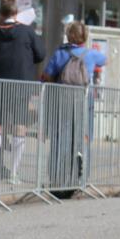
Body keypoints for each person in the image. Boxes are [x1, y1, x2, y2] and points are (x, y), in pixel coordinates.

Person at [0, 0, 46, 183]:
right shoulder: (27, 31)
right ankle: (14, 173)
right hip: (22, 84)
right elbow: (41, 54)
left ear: (1, 14)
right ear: (16, 14)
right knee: (20, 126)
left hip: (0, 83)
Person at [41, 20, 108, 194]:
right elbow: (105, 60)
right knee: (82, 137)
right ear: (84, 36)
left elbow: (46, 75)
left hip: (62, 99)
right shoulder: (91, 54)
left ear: (69, 36)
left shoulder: (60, 53)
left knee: (60, 138)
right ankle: (80, 177)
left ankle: (57, 178)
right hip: (84, 101)